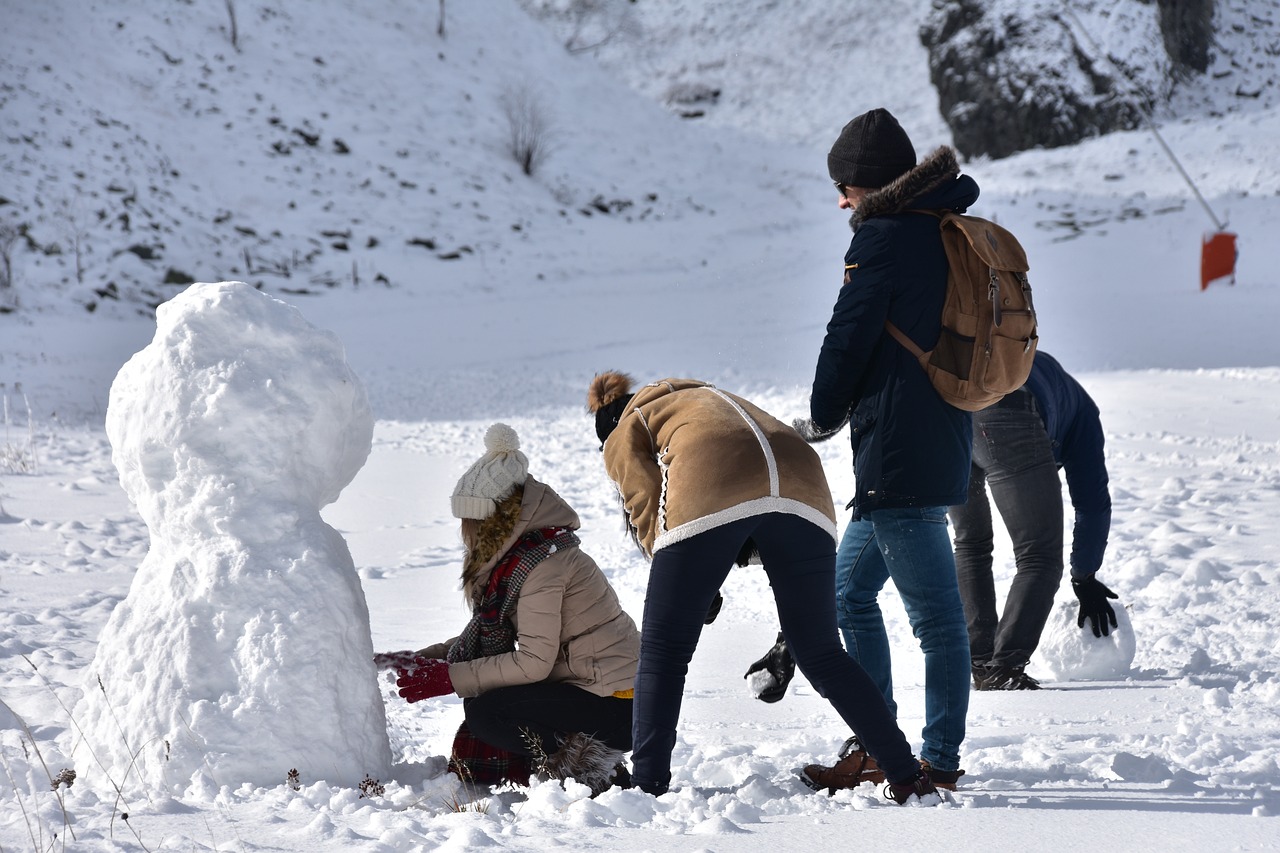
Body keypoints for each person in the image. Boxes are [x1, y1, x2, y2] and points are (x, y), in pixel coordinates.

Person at [587, 371, 937, 804]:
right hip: (804, 483)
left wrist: (682, 575)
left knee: (664, 650)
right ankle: (907, 775)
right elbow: (756, 489)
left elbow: (644, 502)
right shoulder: (709, 396)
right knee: (822, 653)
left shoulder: (625, 426)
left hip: (715, 478)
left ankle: (648, 786)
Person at [789, 107, 975, 792]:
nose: (841, 200)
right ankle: (877, 738)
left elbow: (848, 336)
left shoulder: (886, 239)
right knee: (847, 593)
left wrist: (820, 414)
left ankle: (939, 760)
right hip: (930, 439)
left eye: (846, 186)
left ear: (869, 183)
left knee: (936, 620)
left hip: (901, 450)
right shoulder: (939, 226)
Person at [376, 423, 640, 796]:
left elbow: (534, 662)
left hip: (619, 705)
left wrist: (449, 677)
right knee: (488, 697)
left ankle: (593, 773)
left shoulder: (544, 565)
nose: (466, 532)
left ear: (497, 521)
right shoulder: (528, 557)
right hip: (593, 690)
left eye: (472, 522)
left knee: (489, 712)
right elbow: (493, 637)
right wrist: (426, 658)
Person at [949, 350, 1120, 690]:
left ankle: (980, 663)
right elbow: (1092, 504)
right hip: (1009, 412)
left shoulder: (1053, 384)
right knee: (1039, 556)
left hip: (950, 409)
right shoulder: (1083, 415)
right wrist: (1084, 576)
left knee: (971, 543)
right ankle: (1005, 668)